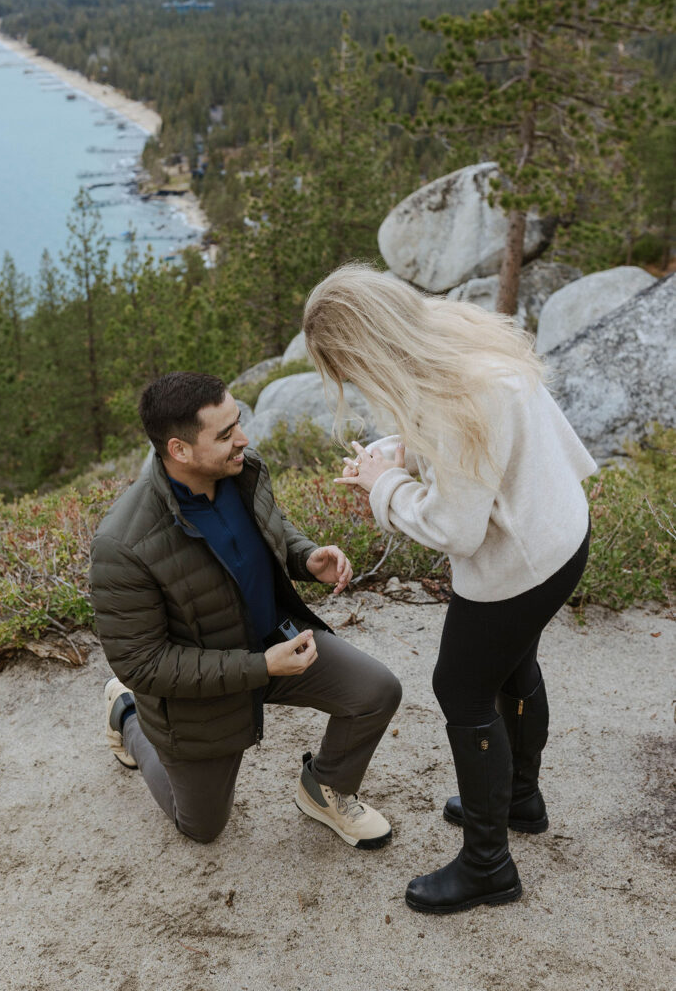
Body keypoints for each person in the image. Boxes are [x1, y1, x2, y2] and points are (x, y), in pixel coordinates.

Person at [303, 263, 596, 914]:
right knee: (510, 664)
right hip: (558, 531)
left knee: (461, 687)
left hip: (517, 563)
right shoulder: (453, 332)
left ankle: (488, 865)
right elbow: (466, 445)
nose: (351, 381)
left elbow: (453, 528)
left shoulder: (453, 399)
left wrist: (382, 487)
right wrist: (392, 458)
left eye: (346, 368)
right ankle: (518, 799)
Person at [90, 371, 401, 848]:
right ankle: (127, 716)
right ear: (180, 450)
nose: (244, 439)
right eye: (226, 433)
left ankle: (326, 787)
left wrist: (305, 556)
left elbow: (270, 525)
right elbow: (142, 664)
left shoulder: (241, 468)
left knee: (376, 691)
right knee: (202, 827)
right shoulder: (123, 543)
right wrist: (260, 666)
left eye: (238, 422)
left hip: (274, 645)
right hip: (204, 691)